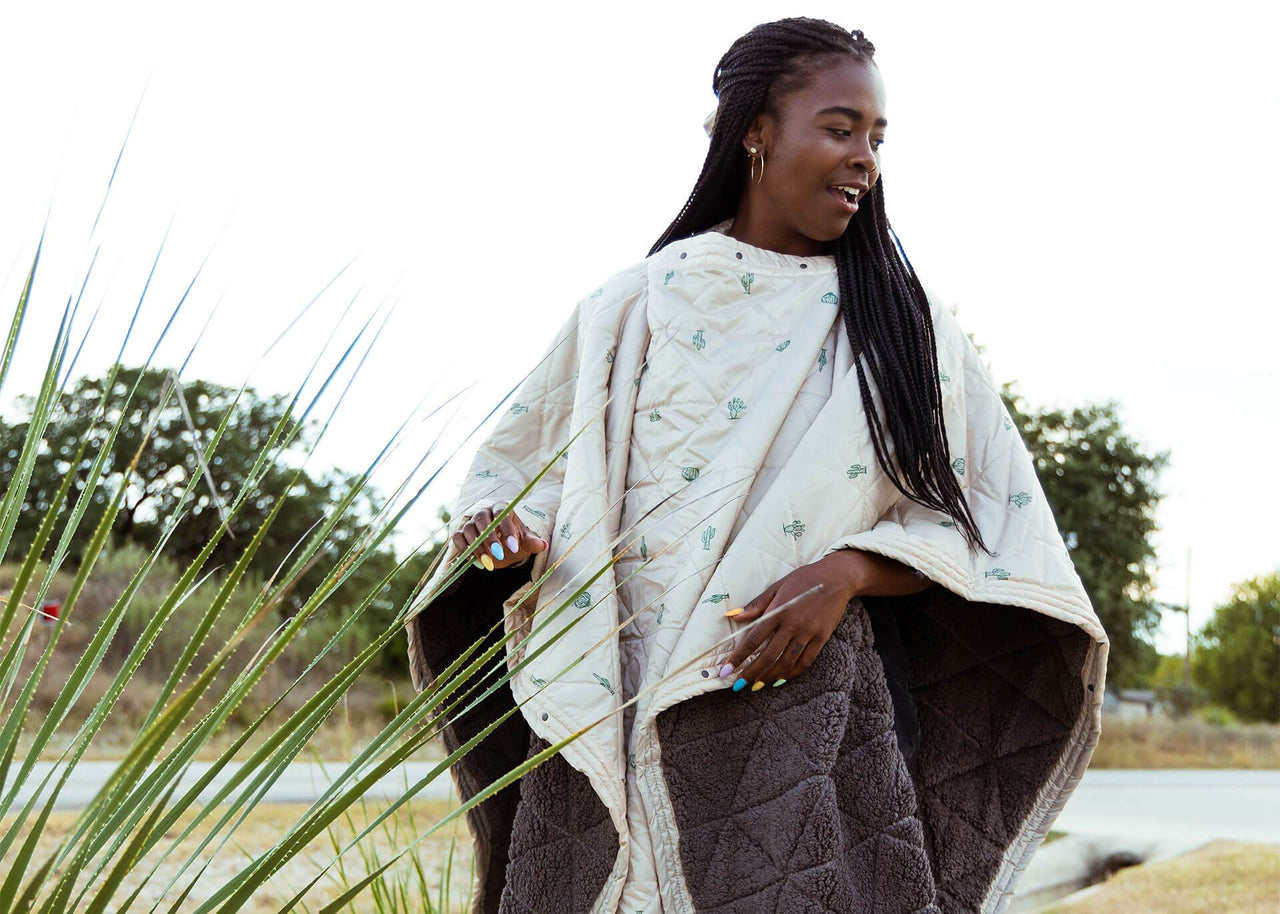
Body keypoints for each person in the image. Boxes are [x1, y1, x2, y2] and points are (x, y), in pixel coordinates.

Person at [405, 17, 1108, 914]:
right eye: (840, 127)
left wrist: (847, 571)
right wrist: (505, 539)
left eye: (878, 139)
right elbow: (523, 482)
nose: (865, 158)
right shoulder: (634, 303)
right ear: (756, 132)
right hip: (609, 696)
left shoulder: (902, 324)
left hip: (800, 714)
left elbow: (983, 524)